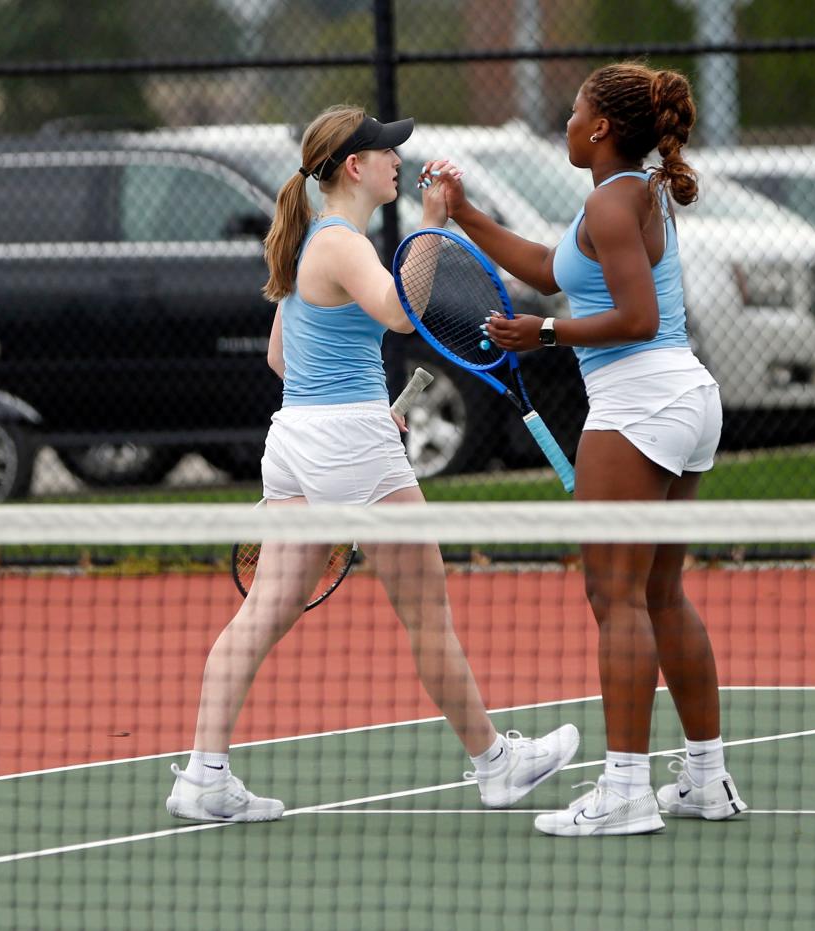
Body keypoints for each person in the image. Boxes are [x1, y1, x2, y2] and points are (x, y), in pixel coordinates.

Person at [166, 105, 579, 823]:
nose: (396, 159)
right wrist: (432, 224)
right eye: (385, 152)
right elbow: (398, 312)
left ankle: (204, 774)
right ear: (354, 167)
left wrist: (358, 405)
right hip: (345, 441)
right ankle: (495, 765)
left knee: (263, 612)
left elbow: (282, 357)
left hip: (296, 439)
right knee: (427, 612)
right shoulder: (336, 239)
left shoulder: (311, 243)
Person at [424, 62, 748, 836]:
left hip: (641, 400)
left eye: (573, 113)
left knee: (617, 597)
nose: (565, 124)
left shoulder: (614, 201)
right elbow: (546, 268)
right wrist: (465, 212)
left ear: (600, 129)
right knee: (660, 593)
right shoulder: (624, 197)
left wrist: (545, 333)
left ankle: (626, 789)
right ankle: (707, 780)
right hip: (682, 400)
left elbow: (634, 317)